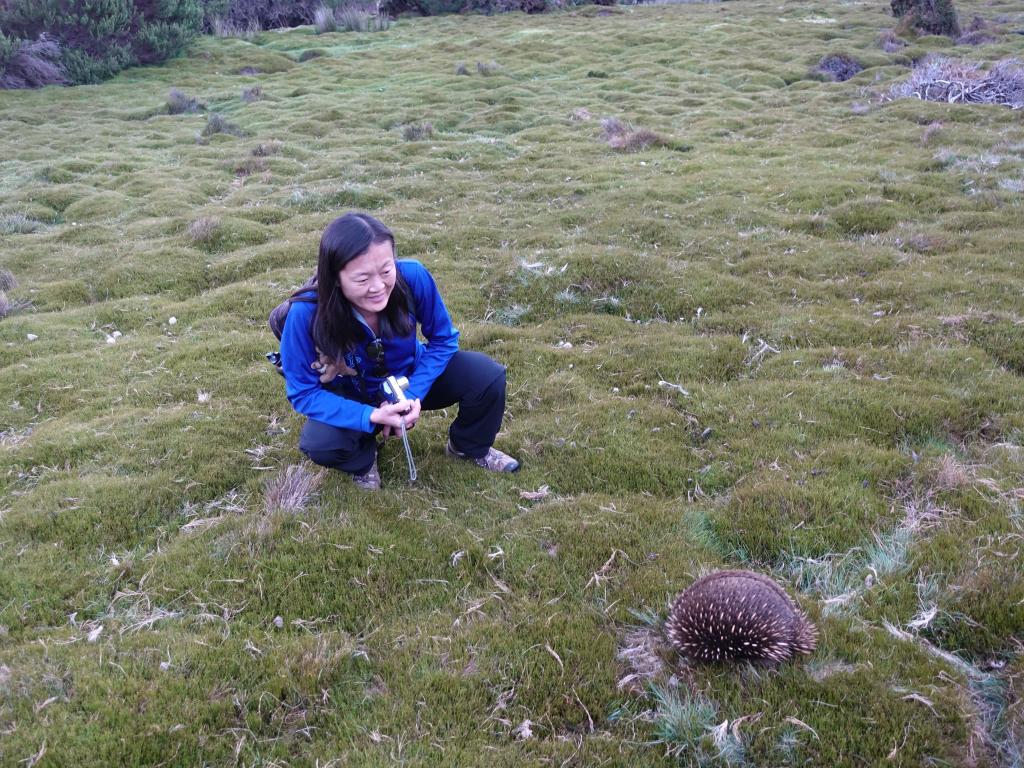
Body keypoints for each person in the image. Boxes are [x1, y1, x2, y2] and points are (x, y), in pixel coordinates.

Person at [279, 212, 520, 489]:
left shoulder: (412, 277)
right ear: (334, 277)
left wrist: (412, 393)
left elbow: (443, 340)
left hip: (407, 378)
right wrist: (369, 416)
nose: (378, 287)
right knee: (321, 444)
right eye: (362, 279)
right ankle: (363, 459)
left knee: (485, 376)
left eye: (386, 270)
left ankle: (468, 447)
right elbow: (304, 393)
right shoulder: (305, 313)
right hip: (352, 394)